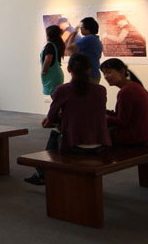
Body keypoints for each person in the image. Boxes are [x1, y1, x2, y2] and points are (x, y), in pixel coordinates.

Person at [25, 53, 110, 185]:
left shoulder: (62, 90)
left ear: (69, 70)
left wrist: (58, 119)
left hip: (74, 144)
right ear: (89, 70)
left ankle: (42, 174)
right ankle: (42, 173)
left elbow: (51, 118)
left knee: (55, 134)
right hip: (100, 143)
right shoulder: (101, 90)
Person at [100, 58, 148, 146]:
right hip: (144, 135)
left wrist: (105, 117)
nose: (106, 77)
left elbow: (122, 121)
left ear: (121, 72)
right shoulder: (135, 86)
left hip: (134, 137)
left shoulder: (126, 91)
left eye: (109, 72)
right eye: (104, 74)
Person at [68, 16, 103, 83]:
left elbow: (69, 47)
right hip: (93, 73)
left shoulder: (88, 38)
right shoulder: (95, 39)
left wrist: (74, 33)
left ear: (87, 28)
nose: (80, 29)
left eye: (81, 27)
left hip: (88, 75)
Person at [40, 24, 65, 97]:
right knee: (57, 98)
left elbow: (48, 59)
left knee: (56, 98)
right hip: (57, 74)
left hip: (52, 76)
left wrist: (44, 71)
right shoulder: (58, 45)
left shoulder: (50, 46)